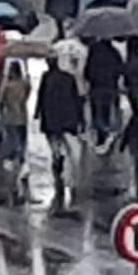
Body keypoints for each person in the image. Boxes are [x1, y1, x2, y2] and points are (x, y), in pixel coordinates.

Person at [36, 59, 84, 190]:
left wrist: (37, 112)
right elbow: (76, 98)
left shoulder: (46, 78)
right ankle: (71, 169)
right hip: (68, 115)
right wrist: (80, 118)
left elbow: (41, 96)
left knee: (53, 139)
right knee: (69, 143)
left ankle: (57, 155)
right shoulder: (68, 77)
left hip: (50, 114)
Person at [0, 61, 31, 197]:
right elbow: (27, 95)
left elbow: (1, 100)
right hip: (22, 115)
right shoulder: (24, 84)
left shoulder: (8, 86)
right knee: (22, 137)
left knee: (12, 137)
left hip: (10, 116)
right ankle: (20, 158)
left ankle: (12, 158)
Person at [84, 39, 124, 146]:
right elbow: (120, 69)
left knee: (96, 111)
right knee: (106, 110)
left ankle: (100, 133)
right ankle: (106, 130)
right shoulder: (114, 52)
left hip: (96, 86)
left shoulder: (93, 52)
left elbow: (87, 72)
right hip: (110, 86)